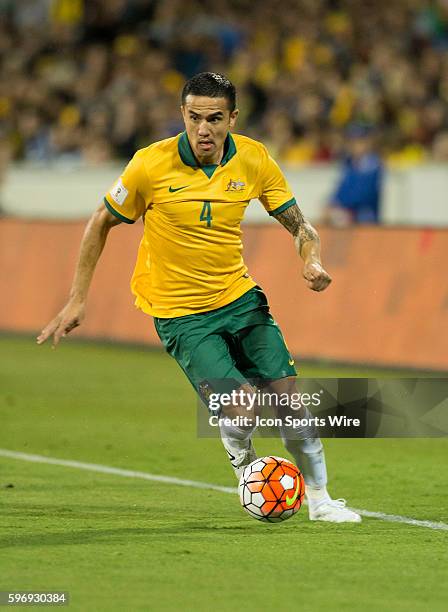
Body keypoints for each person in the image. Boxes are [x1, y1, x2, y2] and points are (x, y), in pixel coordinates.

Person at [37, 72, 361, 523]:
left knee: (290, 403)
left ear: (232, 118)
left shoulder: (253, 158)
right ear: (182, 115)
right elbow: (100, 221)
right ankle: (238, 447)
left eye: (214, 118)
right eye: (194, 117)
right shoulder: (150, 164)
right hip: (181, 313)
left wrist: (312, 259)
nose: (203, 129)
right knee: (244, 409)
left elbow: (300, 225)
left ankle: (322, 500)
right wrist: (77, 298)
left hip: (239, 298)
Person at [324, 124, 383, 227]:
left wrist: (343, 207)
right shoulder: (349, 163)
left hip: (364, 213)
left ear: (367, 143)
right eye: (352, 142)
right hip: (348, 211)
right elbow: (341, 189)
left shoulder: (373, 165)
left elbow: (365, 194)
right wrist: (332, 203)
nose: (355, 145)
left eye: (359, 141)